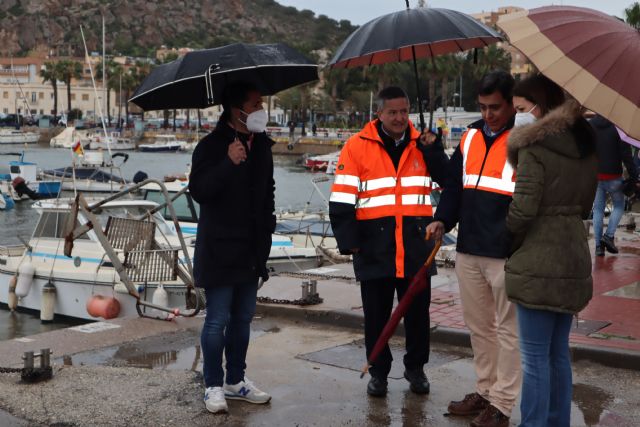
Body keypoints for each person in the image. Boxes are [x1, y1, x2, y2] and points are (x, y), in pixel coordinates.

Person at [329, 86, 448, 397]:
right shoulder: (356, 147)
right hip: (374, 246)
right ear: (378, 113)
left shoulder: (423, 145)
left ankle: (416, 368)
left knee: (418, 316)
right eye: (392, 112)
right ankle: (378, 372)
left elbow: (449, 181)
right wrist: (349, 241)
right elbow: (342, 200)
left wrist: (435, 151)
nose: (399, 118)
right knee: (377, 316)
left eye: (404, 111)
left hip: (416, 245)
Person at [426, 70, 520, 427]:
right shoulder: (469, 139)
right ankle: (485, 390)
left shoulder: (523, 140)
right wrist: (441, 221)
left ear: (511, 104)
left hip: (506, 251)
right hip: (469, 247)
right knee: (479, 326)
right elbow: (453, 186)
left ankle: (503, 404)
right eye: (482, 107)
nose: (488, 115)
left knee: (509, 331)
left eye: (495, 107)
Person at [505, 74, 598, 426]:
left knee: (533, 357)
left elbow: (523, 210)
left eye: (520, 109)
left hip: (538, 260)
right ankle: (558, 421)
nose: (518, 117)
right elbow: (587, 204)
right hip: (573, 255)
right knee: (558, 353)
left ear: (539, 107)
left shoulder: (534, 147)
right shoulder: (584, 145)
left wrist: (508, 234)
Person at [189, 81, 275, 414]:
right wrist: (227, 162)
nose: (260, 110)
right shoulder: (211, 146)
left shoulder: (262, 145)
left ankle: (235, 380)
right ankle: (212, 385)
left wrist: (268, 226)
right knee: (217, 320)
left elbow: (267, 188)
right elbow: (200, 191)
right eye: (255, 104)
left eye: (261, 103)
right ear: (236, 110)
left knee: (242, 319)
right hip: (219, 248)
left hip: (251, 249)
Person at [589, 115, 639, 256]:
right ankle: (609, 236)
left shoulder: (591, 125)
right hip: (614, 176)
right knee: (619, 206)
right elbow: (626, 155)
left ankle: (599, 247)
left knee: (598, 209)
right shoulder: (618, 127)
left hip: (597, 175)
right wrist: (633, 176)